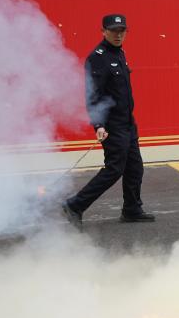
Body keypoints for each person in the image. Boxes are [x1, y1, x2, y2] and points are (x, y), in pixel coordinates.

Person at [63, 14, 154, 229]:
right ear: (103, 31)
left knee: (135, 168)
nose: (118, 35)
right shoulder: (98, 58)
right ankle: (75, 205)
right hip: (113, 125)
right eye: (113, 31)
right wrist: (99, 125)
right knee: (114, 169)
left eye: (122, 31)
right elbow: (93, 95)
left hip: (128, 123)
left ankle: (132, 209)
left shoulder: (119, 53)